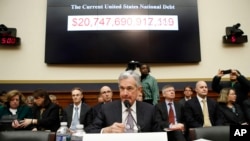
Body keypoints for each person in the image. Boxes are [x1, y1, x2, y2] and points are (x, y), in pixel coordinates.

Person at [85, 70, 159, 133]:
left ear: (139, 90)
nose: (125, 93)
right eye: (122, 88)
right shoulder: (106, 109)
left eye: (129, 88)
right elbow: (89, 130)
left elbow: (159, 134)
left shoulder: (150, 110)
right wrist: (106, 130)